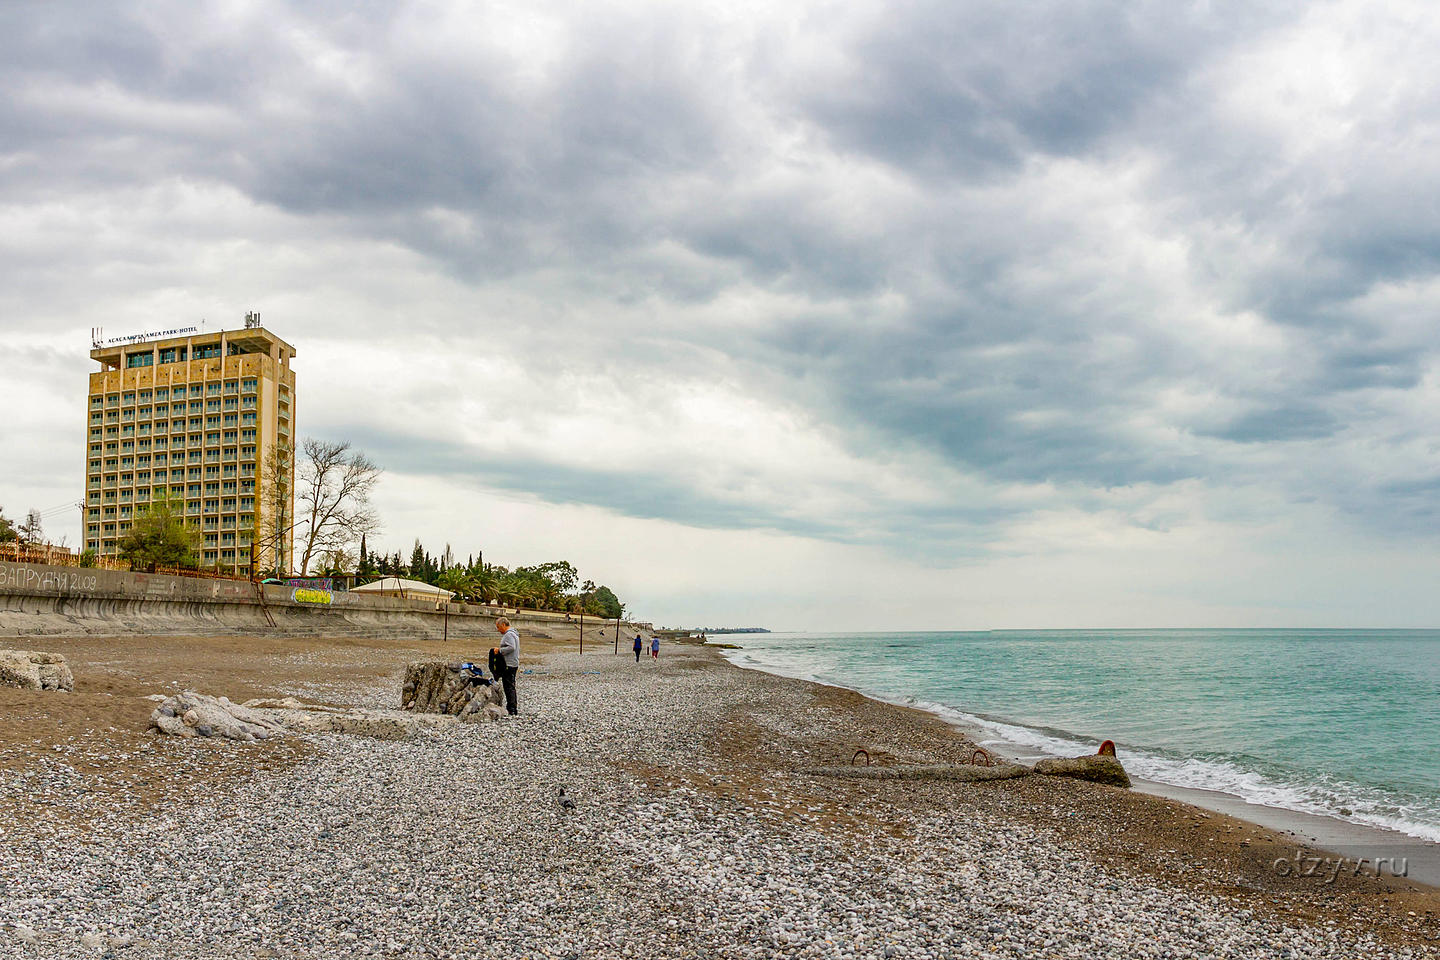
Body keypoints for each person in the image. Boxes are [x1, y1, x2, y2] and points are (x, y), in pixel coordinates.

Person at [493, 617, 520, 715]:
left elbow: (511, 647)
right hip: (513, 663)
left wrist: (499, 650)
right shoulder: (514, 633)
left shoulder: (509, 635)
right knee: (510, 685)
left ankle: (512, 709)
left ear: (503, 625)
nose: (498, 629)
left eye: (498, 627)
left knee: (508, 686)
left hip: (509, 664)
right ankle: (512, 707)